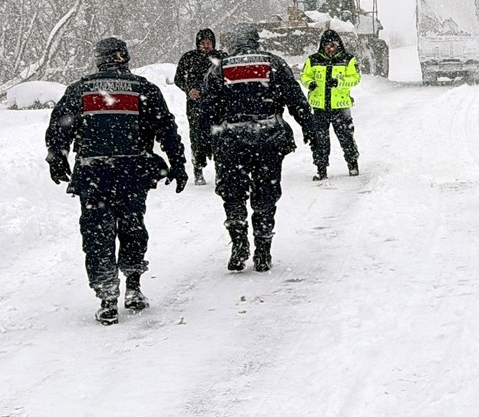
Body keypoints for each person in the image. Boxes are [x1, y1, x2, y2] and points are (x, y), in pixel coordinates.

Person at [44, 37, 187, 326]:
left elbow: (60, 127)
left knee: (97, 233)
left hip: (93, 174)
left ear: (99, 59)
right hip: (132, 171)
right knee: (132, 226)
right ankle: (133, 286)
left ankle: (107, 297)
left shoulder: (79, 90)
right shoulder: (142, 88)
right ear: (125, 57)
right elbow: (166, 128)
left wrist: (57, 159)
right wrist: (178, 162)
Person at [199, 24, 315, 273]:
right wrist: (309, 127)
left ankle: (239, 242)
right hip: (269, 138)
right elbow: (295, 98)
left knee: (233, 193)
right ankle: (263, 249)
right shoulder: (274, 63)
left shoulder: (220, 68)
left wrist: (204, 143)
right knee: (266, 192)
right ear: (256, 41)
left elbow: (206, 109)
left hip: (232, 140)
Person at [301, 29, 361, 180]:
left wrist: (339, 83)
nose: (330, 48)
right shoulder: (312, 60)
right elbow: (305, 76)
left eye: (333, 45)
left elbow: (355, 78)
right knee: (320, 140)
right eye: (327, 45)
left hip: (340, 107)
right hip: (319, 108)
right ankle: (321, 169)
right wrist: (310, 83)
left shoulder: (348, 60)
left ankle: (352, 164)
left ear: (338, 45)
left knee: (346, 137)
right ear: (322, 46)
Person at [174, 28, 224, 186]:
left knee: (219, 137)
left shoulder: (221, 58)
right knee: (197, 138)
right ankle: (198, 170)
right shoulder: (189, 58)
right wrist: (189, 90)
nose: (206, 46)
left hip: (218, 106)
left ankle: (221, 171)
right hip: (196, 106)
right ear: (198, 44)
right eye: (203, 43)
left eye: (209, 42)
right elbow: (178, 79)